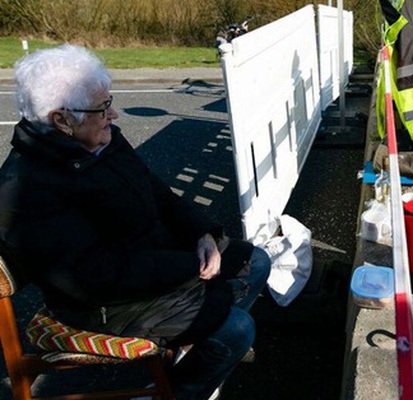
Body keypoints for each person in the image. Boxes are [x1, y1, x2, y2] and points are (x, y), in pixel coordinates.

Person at [0, 44, 271, 400]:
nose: (113, 113)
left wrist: (201, 233)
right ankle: (178, 389)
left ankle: (199, 359)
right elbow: (97, 278)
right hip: (102, 304)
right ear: (62, 120)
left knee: (257, 261)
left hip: (149, 265)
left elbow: (158, 193)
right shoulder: (26, 189)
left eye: (109, 101)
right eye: (102, 108)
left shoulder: (99, 140)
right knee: (235, 329)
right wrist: (192, 266)